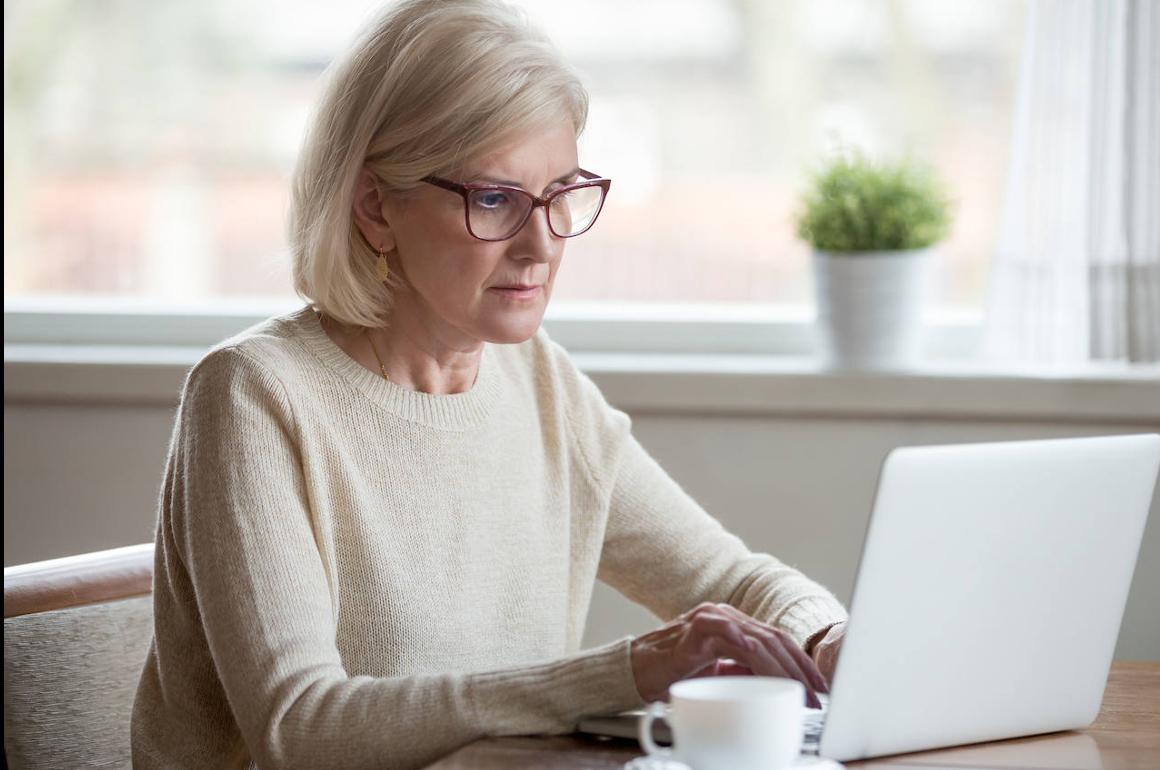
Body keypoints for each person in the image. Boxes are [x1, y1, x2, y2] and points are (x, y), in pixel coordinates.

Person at [129, 1, 848, 767]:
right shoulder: (253, 397)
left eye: (561, 194)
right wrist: (628, 670)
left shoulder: (539, 383)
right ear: (375, 206)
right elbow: (302, 727)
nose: (541, 247)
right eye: (496, 199)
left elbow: (729, 580)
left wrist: (830, 642)